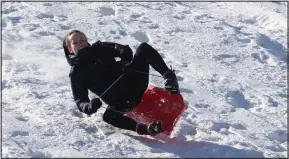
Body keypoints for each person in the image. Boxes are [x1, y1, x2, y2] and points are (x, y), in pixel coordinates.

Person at [63, 30, 180, 136]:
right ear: (70, 49)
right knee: (108, 117)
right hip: (123, 103)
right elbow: (80, 100)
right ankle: (145, 129)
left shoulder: (99, 49)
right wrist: (89, 107)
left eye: (82, 40)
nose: (80, 43)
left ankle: (169, 77)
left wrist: (126, 62)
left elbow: (123, 49)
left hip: (135, 83)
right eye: (75, 42)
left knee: (143, 48)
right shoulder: (76, 73)